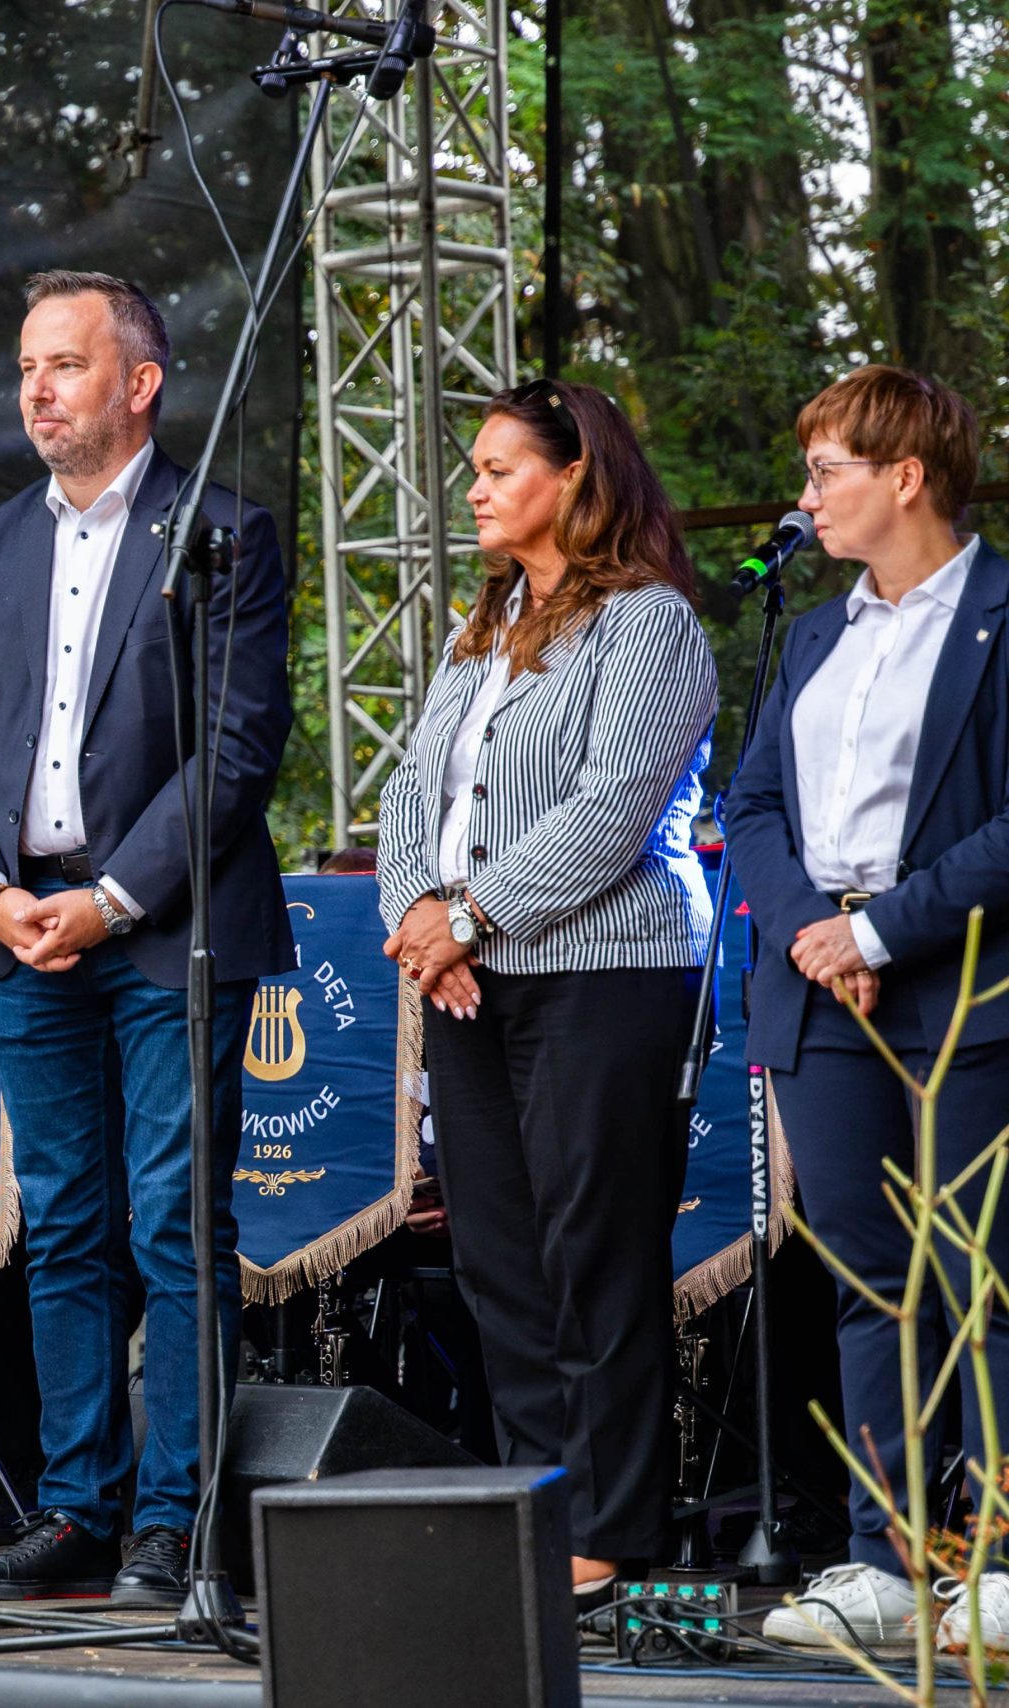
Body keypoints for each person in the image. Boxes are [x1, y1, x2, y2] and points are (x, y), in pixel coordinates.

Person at [0, 270, 295, 1605]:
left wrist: (113, 898)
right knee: (67, 1228)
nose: (37, 387)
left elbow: (238, 746)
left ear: (139, 385)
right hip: (25, 929)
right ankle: (77, 1511)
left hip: (162, 928)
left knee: (173, 1227)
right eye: (28, 364)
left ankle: (174, 1523)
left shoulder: (224, 533)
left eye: (66, 364)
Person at [375, 379, 716, 1598]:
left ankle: (613, 1530)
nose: (471, 487)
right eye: (472, 468)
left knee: (593, 1257)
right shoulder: (482, 631)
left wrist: (466, 915)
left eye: (496, 467)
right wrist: (417, 918)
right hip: (472, 986)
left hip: (604, 976)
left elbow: (614, 808)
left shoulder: (647, 625)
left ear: (573, 477)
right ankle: (536, 1507)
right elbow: (413, 790)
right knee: (499, 1265)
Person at [722, 366, 1009, 1652]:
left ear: (906, 475)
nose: (805, 497)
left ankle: (994, 1558)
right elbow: (751, 807)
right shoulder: (820, 631)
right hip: (820, 987)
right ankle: (885, 1559)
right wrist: (808, 930)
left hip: (963, 983)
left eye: (826, 469)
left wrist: (882, 926)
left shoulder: (1004, 611)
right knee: (864, 1274)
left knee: (982, 1273)